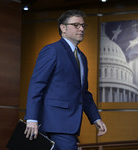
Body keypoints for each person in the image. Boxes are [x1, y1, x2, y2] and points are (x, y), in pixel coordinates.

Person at [24, 9, 107, 150]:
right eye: (76, 25)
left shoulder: (82, 57)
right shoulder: (52, 50)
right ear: (63, 27)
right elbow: (37, 84)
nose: (81, 29)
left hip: (69, 124)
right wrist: (31, 118)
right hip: (54, 123)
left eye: (83, 26)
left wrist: (95, 118)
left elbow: (83, 92)